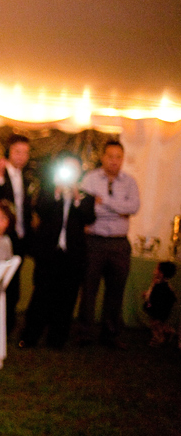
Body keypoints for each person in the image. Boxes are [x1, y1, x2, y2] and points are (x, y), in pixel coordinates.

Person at [20, 152, 96, 349]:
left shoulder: (86, 196)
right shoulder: (48, 190)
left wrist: (77, 198)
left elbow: (89, 218)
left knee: (67, 298)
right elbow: (40, 211)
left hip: (73, 255)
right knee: (41, 295)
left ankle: (57, 339)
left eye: (74, 168)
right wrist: (57, 193)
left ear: (80, 171)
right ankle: (30, 337)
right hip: (48, 253)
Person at [78, 140, 140, 349]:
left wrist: (104, 202)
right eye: (110, 156)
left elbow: (133, 207)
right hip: (94, 241)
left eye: (118, 157)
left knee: (116, 290)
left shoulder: (130, 182)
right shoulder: (90, 179)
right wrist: (119, 210)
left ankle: (110, 334)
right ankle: (84, 333)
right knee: (88, 289)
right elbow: (87, 211)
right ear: (103, 157)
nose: (114, 161)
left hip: (119, 244)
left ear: (122, 159)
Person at [0, 133, 33, 333]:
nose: (22, 156)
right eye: (17, 152)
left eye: (25, 153)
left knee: (14, 282)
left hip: (20, 236)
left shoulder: (27, 177)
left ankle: (6, 326)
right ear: (8, 152)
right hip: (1, 236)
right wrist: (0, 177)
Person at [142, 262, 177, 347]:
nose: (154, 271)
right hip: (157, 308)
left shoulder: (161, 286)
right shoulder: (161, 284)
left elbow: (155, 296)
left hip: (157, 309)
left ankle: (158, 338)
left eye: (156, 269)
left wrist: (147, 297)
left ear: (161, 274)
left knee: (155, 324)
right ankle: (168, 331)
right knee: (158, 323)